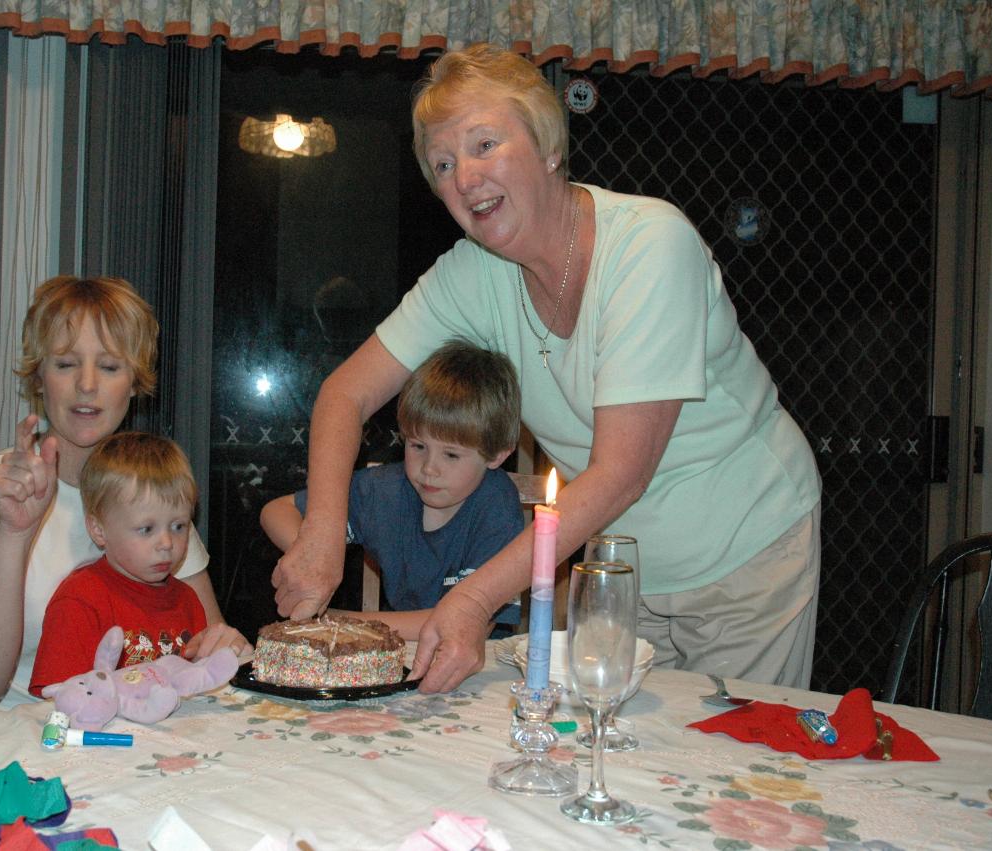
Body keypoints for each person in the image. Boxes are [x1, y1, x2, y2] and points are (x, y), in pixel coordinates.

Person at [271, 43, 822, 694]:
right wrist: (323, 535)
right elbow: (344, 394)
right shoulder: (473, 274)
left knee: (732, 770)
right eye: (443, 164)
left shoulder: (649, 245)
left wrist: (475, 600)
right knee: (628, 767)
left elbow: (620, 473)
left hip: (746, 552)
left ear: (549, 145)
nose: (464, 178)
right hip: (623, 565)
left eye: (484, 145)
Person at [0, 275, 251, 725]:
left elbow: (205, 645)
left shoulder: (150, 489)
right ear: (39, 375)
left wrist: (223, 646)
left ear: (135, 383)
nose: (87, 385)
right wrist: (15, 532)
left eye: (111, 367)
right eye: (65, 364)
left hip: (115, 739)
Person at [260, 339, 525, 640]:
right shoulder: (385, 489)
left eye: (451, 455)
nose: (429, 468)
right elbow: (276, 511)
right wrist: (320, 551)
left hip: (473, 669)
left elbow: (461, 622)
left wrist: (344, 622)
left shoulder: (497, 507)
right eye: (418, 446)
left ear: (497, 455)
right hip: (396, 657)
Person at [29, 432, 245, 692]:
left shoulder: (187, 599)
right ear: (99, 530)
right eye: (146, 529)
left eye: (178, 526)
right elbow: (59, 700)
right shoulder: (81, 600)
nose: (166, 542)